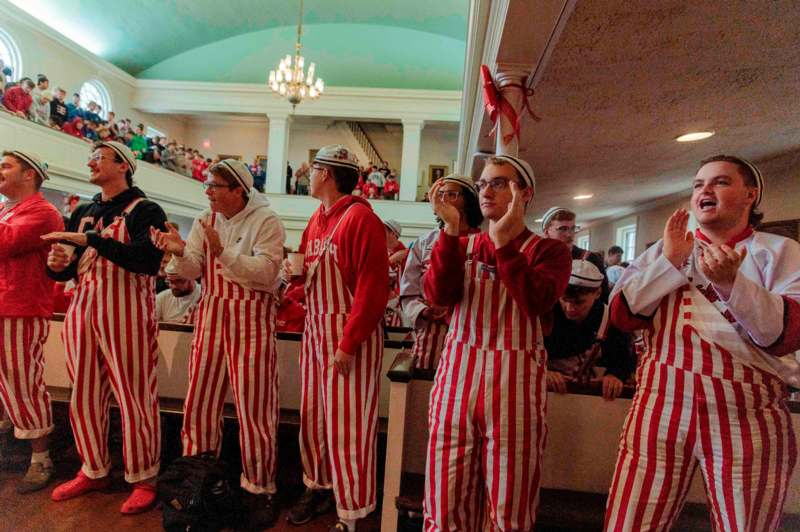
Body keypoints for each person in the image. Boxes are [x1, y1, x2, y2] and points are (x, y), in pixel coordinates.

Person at [604, 155, 800, 531]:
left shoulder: (779, 252)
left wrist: (732, 284)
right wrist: (670, 263)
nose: (705, 190)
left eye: (720, 182)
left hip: (748, 416)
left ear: (750, 195)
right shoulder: (667, 248)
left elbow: (784, 335)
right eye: (698, 184)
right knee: (630, 521)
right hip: (659, 407)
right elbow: (622, 315)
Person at [422, 155, 571, 530]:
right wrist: (450, 229)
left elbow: (536, 301)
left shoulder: (550, 251)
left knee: (510, 504)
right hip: (456, 383)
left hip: (515, 389)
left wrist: (504, 245)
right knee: (444, 499)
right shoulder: (462, 243)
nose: (486, 189)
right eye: (484, 182)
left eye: (499, 182)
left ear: (525, 193)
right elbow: (438, 295)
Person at [151, 159, 286, 529]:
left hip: (252, 319)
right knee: (199, 402)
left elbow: (266, 274)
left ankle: (260, 488)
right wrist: (178, 251)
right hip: (211, 315)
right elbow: (193, 268)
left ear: (237, 189)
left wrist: (221, 251)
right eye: (207, 186)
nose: (207, 192)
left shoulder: (266, 221)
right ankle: (197, 480)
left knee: (254, 409)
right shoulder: (203, 219)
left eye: (214, 186)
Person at [43, 141, 167, 514]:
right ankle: (93, 468)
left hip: (126, 311)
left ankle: (144, 476)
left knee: (134, 396)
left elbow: (147, 261)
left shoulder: (146, 209)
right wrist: (57, 263)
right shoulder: (83, 209)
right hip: (83, 307)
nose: (91, 162)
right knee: (83, 393)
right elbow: (67, 267)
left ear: (123, 166)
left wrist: (92, 240)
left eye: (99, 158)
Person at [284, 145, 389, 532]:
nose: (307, 175)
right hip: (315, 331)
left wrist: (349, 343)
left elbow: (373, 289)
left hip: (347, 334)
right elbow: (310, 274)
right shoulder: (317, 219)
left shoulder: (360, 219)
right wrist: (293, 285)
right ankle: (319, 485)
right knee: (313, 419)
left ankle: (354, 510)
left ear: (327, 174)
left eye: (312, 169)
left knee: (349, 425)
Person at [0, 150, 64, 493]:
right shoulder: (6, 210)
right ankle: (11, 450)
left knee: (24, 383)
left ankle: (42, 459)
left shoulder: (43, 211)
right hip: (4, 305)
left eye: (6, 166)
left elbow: (4, 242)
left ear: (29, 175)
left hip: (21, 307)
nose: (0, 170)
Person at [399, 174, 483, 371]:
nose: (444, 200)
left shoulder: (483, 241)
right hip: (431, 338)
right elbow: (408, 291)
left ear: (469, 200)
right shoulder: (424, 242)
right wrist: (424, 311)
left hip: (471, 334)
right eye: (440, 194)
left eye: (452, 194)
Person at [544, 260, 634, 400]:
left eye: (579, 302)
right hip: (548, 394)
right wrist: (543, 371)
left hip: (587, 399)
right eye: (564, 300)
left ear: (598, 293)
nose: (569, 308)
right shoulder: (546, 313)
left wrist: (614, 375)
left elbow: (622, 359)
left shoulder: (609, 318)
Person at [542, 206, 608, 298]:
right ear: (546, 232)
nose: (569, 235)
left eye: (572, 228)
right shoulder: (540, 260)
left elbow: (603, 296)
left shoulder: (590, 259)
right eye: (562, 229)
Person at [383, 219, 407, 327]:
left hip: (399, 306)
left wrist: (396, 294)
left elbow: (411, 281)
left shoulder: (407, 254)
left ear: (393, 233)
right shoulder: (383, 253)